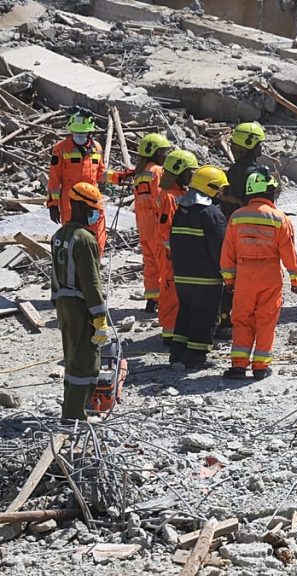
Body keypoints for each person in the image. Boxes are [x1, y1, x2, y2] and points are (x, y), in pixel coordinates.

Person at [221, 167, 297, 380]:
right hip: (270, 275)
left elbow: (228, 251)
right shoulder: (279, 218)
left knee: (241, 319)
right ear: (270, 192)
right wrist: (295, 278)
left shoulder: (237, 217)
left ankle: (238, 366)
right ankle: (260, 367)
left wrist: (229, 279)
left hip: (244, 275)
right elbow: (288, 251)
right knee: (266, 320)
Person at [51, 183, 110, 421]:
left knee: (72, 356)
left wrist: (57, 301)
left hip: (63, 302)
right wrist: (100, 317)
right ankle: (75, 415)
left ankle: (72, 410)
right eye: (93, 209)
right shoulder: (85, 239)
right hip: (80, 305)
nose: (95, 214)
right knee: (85, 360)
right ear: (83, 207)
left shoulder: (59, 235)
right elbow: (91, 282)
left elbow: (54, 275)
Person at [47, 106, 131, 257]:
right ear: (71, 131)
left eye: (83, 133)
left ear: (90, 131)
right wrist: (53, 205)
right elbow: (54, 179)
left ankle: (95, 264)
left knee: (97, 236)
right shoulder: (61, 148)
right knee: (74, 238)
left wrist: (120, 177)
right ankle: (74, 268)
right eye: (77, 133)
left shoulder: (96, 148)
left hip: (93, 201)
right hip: (71, 203)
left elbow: (100, 174)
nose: (80, 136)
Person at [169, 166, 229, 368]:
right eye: (219, 189)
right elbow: (220, 248)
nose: (221, 194)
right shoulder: (211, 214)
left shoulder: (180, 212)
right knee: (205, 317)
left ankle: (177, 354)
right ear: (210, 188)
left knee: (186, 314)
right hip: (206, 279)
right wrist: (227, 273)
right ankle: (196, 357)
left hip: (182, 277)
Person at [218, 122, 267, 338]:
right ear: (249, 145)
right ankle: (245, 320)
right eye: (259, 144)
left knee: (229, 277)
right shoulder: (256, 174)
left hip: (230, 229)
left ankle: (224, 320)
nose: (261, 148)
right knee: (250, 279)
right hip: (251, 233)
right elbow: (262, 204)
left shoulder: (232, 170)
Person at [156, 150, 199, 345]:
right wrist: (175, 251)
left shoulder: (180, 193)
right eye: (190, 172)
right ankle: (169, 333)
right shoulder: (169, 197)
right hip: (172, 255)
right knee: (170, 292)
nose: (192, 175)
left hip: (179, 252)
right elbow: (164, 229)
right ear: (179, 172)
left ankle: (178, 330)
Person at [132, 133, 172, 312]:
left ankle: (151, 300)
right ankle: (166, 300)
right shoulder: (157, 171)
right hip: (156, 225)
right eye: (163, 152)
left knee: (150, 264)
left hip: (144, 225)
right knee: (164, 264)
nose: (166, 155)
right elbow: (160, 198)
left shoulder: (140, 174)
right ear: (154, 153)